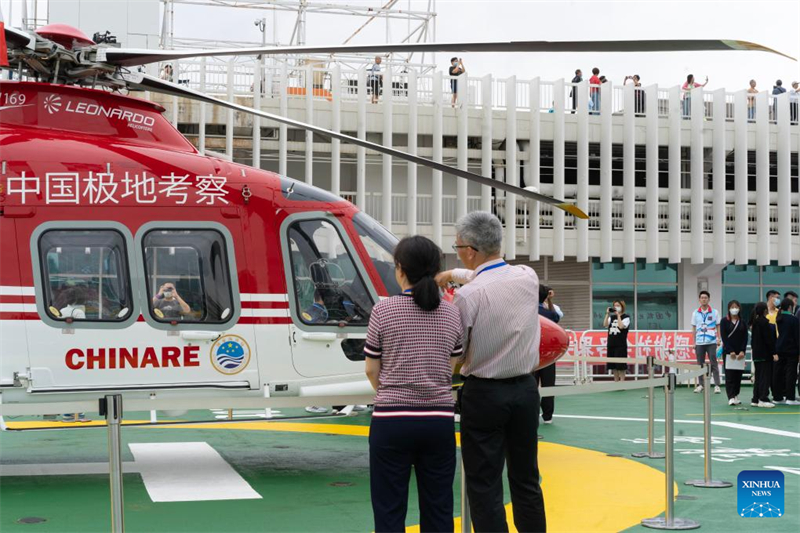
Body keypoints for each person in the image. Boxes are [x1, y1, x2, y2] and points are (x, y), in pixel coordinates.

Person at [435, 211, 546, 533]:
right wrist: (452, 273)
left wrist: (448, 279)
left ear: (470, 251)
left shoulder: (467, 296)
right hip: (525, 390)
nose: (458, 253)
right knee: (526, 478)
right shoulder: (527, 276)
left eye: (458, 248)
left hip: (484, 393)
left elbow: (458, 352)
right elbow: (487, 275)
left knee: (484, 484)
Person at [365, 235, 463, 533]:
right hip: (438, 419)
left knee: (389, 508)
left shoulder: (383, 310)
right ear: (436, 270)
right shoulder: (451, 312)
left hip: (391, 419)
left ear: (400, 269)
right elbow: (452, 366)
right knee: (438, 507)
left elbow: (371, 369)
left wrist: (390, 392)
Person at [536, 285, 559, 424]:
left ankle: (531, 414)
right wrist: (549, 300)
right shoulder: (549, 314)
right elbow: (556, 317)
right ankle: (548, 415)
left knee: (530, 387)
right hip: (548, 355)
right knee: (548, 385)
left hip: (530, 355)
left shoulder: (527, 312)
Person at [691, 290, 722, 394]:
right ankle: (701, 385)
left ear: (709, 299)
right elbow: (694, 328)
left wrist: (719, 338)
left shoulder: (715, 312)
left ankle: (717, 385)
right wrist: (694, 342)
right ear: (699, 300)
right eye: (702, 298)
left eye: (705, 298)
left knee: (714, 362)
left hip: (711, 341)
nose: (704, 299)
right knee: (700, 364)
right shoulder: (695, 313)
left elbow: (718, 326)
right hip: (699, 342)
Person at [773, 298, 800, 405]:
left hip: (779, 348)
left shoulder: (779, 318)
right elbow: (797, 337)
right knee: (791, 374)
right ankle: (790, 397)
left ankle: (777, 397)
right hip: (791, 350)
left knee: (778, 374)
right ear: (790, 307)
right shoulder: (794, 319)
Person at [720, 300, 747, 406]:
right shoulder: (724, 321)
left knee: (738, 375)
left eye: (736, 307)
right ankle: (730, 397)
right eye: (732, 307)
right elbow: (724, 337)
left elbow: (745, 338)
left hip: (740, 353)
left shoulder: (742, 322)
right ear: (729, 309)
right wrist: (730, 350)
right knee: (729, 375)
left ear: (739, 309)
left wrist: (742, 351)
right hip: (728, 353)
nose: (734, 309)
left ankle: (736, 395)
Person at [749, 302, 776, 408]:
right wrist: (774, 352)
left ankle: (755, 399)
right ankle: (763, 398)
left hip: (756, 354)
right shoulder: (764, 323)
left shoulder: (754, 323)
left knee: (758, 377)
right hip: (764, 354)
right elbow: (768, 340)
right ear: (765, 310)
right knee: (765, 377)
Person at [604, 300, 630, 382]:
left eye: (618, 305)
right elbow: (605, 324)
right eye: (614, 305)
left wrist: (618, 315)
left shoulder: (626, 317)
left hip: (620, 344)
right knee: (613, 365)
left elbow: (621, 326)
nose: (616, 307)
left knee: (621, 364)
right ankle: (616, 381)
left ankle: (622, 381)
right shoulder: (611, 317)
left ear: (622, 307)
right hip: (611, 343)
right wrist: (607, 314)